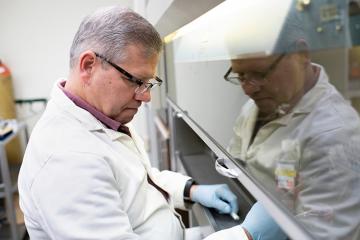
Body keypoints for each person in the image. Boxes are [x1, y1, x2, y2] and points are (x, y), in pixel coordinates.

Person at [18, 6, 285, 240]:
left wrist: (191, 189)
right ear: (89, 65)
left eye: (149, 83)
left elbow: (137, 181)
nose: (145, 96)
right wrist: (246, 235)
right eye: (136, 81)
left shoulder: (102, 116)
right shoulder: (66, 161)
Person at [223, 6, 360, 240]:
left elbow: (324, 235)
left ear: (301, 54)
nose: (248, 88)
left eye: (259, 73)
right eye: (241, 75)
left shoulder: (334, 134)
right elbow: (237, 159)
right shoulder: (262, 102)